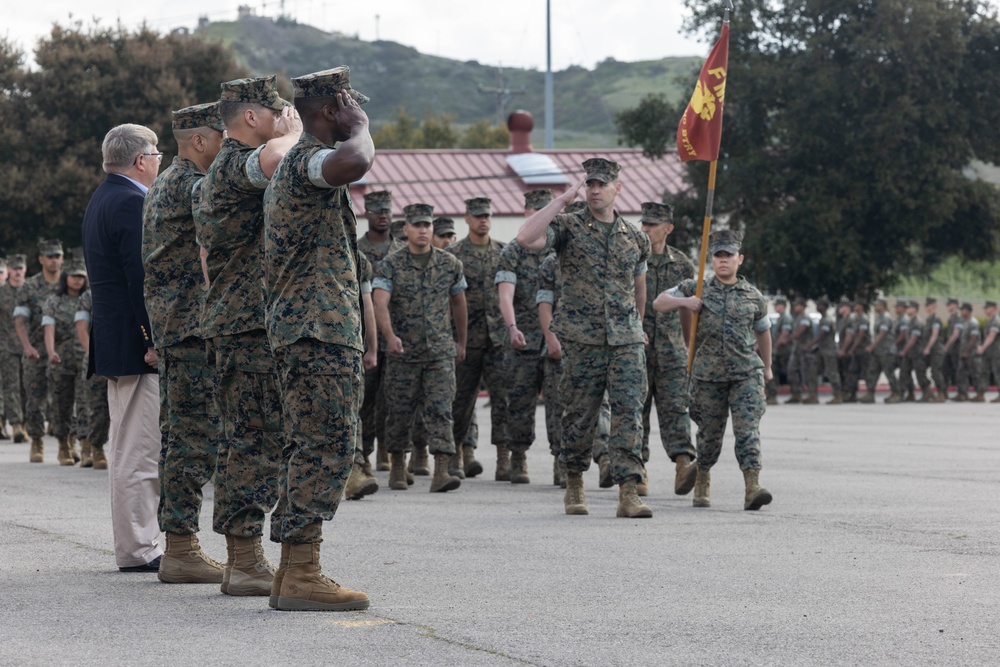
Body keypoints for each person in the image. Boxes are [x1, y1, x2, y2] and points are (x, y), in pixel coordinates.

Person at [262, 66, 374, 611]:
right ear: (332, 109)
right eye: (348, 105)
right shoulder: (308, 160)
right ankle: (303, 572)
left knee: (309, 446)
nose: (354, 111)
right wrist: (362, 128)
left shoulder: (299, 166)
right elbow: (357, 160)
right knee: (326, 447)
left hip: (309, 329)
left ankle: (293, 571)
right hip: (318, 330)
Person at [194, 75, 300, 597]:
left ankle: (245, 558)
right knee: (252, 440)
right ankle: (243, 559)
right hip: (247, 324)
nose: (282, 117)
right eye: (275, 111)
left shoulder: (227, 168)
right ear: (252, 117)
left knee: (252, 437)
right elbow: (280, 160)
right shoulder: (234, 165)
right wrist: (297, 133)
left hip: (246, 322)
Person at [517, 158, 652, 519]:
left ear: (617, 189)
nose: (594, 190)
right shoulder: (568, 227)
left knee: (629, 415)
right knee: (579, 415)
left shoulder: (635, 238)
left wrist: (637, 327)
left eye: (601, 184)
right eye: (589, 184)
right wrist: (561, 200)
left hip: (625, 340)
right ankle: (575, 482)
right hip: (582, 339)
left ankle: (628, 491)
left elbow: (639, 288)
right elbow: (525, 237)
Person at [141, 103, 226, 585]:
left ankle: (179, 543)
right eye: (220, 137)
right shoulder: (192, 185)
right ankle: (180, 547)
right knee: (193, 438)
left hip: (179, 325)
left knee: (182, 436)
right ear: (199, 140)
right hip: (190, 327)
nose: (225, 146)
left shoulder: (165, 183)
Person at [81, 123, 163, 572]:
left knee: (130, 447)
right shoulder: (132, 201)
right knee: (137, 450)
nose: (159, 161)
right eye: (156, 154)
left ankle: (136, 543)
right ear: (139, 160)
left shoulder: (104, 196)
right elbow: (141, 280)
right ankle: (138, 547)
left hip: (117, 338)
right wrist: (153, 340)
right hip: (134, 344)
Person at [653, 229, 773, 511]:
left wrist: (767, 366)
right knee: (709, 435)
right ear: (711, 259)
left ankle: (752, 486)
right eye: (718, 256)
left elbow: (763, 332)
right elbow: (659, 303)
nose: (723, 261)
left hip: (745, 374)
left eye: (728, 256)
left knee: (748, 431)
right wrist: (685, 302)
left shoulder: (753, 296)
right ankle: (702, 478)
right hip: (707, 377)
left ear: (739, 259)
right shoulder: (695, 287)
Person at [373, 202, 468, 492]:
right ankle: (399, 465)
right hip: (404, 353)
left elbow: (459, 304)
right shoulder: (390, 264)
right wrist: (389, 336)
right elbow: (380, 302)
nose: (423, 230)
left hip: (439, 351)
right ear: (406, 230)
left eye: (427, 225)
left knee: (441, 410)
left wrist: (461, 341)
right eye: (417, 225)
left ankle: (441, 470)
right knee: (400, 410)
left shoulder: (450, 264)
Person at [494, 189, 555, 485]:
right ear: (528, 214)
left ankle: (564, 460)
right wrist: (512, 327)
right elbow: (506, 294)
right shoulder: (513, 251)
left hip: (558, 338)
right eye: (538, 212)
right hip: (525, 338)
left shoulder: (560, 247)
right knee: (519, 401)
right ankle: (518, 455)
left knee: (560, 401)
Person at [637, 201, 697, 495]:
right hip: (637, 348)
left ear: (668, 229)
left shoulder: (683, 264)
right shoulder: (632, 258)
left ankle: (684, 463)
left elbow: (686, 307)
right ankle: (638, 471)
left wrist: (689, 345)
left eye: (652, 225)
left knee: (676, 408)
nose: (646, 229)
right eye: (644, 224)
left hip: (672, 350)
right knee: (637, 411)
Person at [449, 196, 508, 480]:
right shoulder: (454, 254)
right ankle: (458, 453)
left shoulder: (504, 252)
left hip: (498, 338)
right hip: (467, 338)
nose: (483, 220)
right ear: (467, 219)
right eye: (477, 216)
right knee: (460, 400)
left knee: (504, 400)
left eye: (487, 215)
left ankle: (506, 459)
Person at [357, 190, 402, 472]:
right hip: (364, 336)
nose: (383, 216)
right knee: (366, 400)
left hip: (399, 335)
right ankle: (365, 453)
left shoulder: (402, 252)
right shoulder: (357, 250)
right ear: (367, 214)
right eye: (377, 211)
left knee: (394, 399)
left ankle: (388, 450)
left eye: (386, 211)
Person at [14, 239, 64, 463]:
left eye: (58, 256)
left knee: (65, 399)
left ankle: (67, 443)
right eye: (50, 256)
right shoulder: (30, 286)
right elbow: (20, 320)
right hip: (36, 351)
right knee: (35, 399)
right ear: (41, 259)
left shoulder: (71, 283)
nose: (55, 260)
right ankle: (36, 441)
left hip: (64, 351)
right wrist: (27, 347)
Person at [41, 252, 89, 465]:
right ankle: (63, 446)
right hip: (61, 361)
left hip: (85, 359)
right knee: (62, 404)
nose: (77, 279)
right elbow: (49, 329)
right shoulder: (54, 301)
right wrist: (51, 352)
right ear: (65, 277)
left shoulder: (89, 299)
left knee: (85, 403)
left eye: (81, 276)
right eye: (73, 275)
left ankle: (86, 446)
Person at [0, 254, 28, 443]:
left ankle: (25, 424)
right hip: (7, 346)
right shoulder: (2, 293)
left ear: (25, 269)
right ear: (9, 270)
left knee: (27, 387)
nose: (17, 272)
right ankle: (16, 425)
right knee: (11, 387)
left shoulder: (30, 290)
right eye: (14, 268)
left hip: (29, 347)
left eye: (20, 268)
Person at [864, 298, 900, 404]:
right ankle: (870, 393)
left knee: (889, 373)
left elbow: (882, 333)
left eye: (878, 305)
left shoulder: (885, 317)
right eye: (875, 305)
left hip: (886, 351)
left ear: (883, 306)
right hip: (878, 351)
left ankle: (896, 393)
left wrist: (872, 346)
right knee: (873, 372)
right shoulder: (879, 318)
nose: (875, 307)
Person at [809, 298, 843, 405]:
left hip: (829, 350)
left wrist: (810, 344)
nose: (818, 307)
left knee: (832, 373)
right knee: (813, 371)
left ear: (824, 307)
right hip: (821, 349)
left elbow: (822, 334)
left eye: (820, 305)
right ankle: (813, 395)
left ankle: (838, 396)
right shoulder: (822, 319)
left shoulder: (827, 319)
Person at [918, 297, 947, 401]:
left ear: (934, 306)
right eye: (926, 306)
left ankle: (941, 393)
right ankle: (927, 392)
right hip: (928, 350)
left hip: (935, 350)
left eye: (928, 305)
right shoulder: (928, 319)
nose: (926, 307)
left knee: (936, 371)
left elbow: (934, 335)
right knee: (919, 368)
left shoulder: (936, 319)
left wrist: (928, 348)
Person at [784, 298, 812, 404]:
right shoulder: (797, 318)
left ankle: (811, 395)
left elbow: (801, 330)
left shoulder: (805, 318)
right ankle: (796, 394)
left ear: (802, 307)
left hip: (805, 349)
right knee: (792, 370)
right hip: (796, 349)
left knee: (806, 372)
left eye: (797, 305)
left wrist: (789, 338)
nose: (795, 307)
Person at [954, 303, 982, 402]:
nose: (961, 312)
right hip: (964, 353)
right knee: (961, 373)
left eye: (963, 310)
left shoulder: (973, 323)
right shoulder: (964, 322)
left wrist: (966, 351)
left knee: (975, 374)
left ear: (968, 311)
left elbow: (973, 339)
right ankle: (963, 394)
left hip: (971, 353)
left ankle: (980, 394)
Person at [768, 297, 793, 405]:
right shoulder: (780, 318)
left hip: (783, 350)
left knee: (778, 371)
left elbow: (785, 333)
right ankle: (772, 394)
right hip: (780, 349)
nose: (775, 307)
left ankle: (773, 395)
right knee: (776, 371)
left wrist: (776, 346)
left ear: (783, 306)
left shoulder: (786, 317)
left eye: (777, 305)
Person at [975, 300, 1000, 402]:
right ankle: (981, 394)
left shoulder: (996, 321)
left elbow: (991, 336)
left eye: (987, 308)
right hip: (988, 353)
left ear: (993, 308)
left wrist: (982, 347)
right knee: (983, 372)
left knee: (998, 373)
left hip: (996, 352)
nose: (985, 310)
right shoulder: (989, 321)